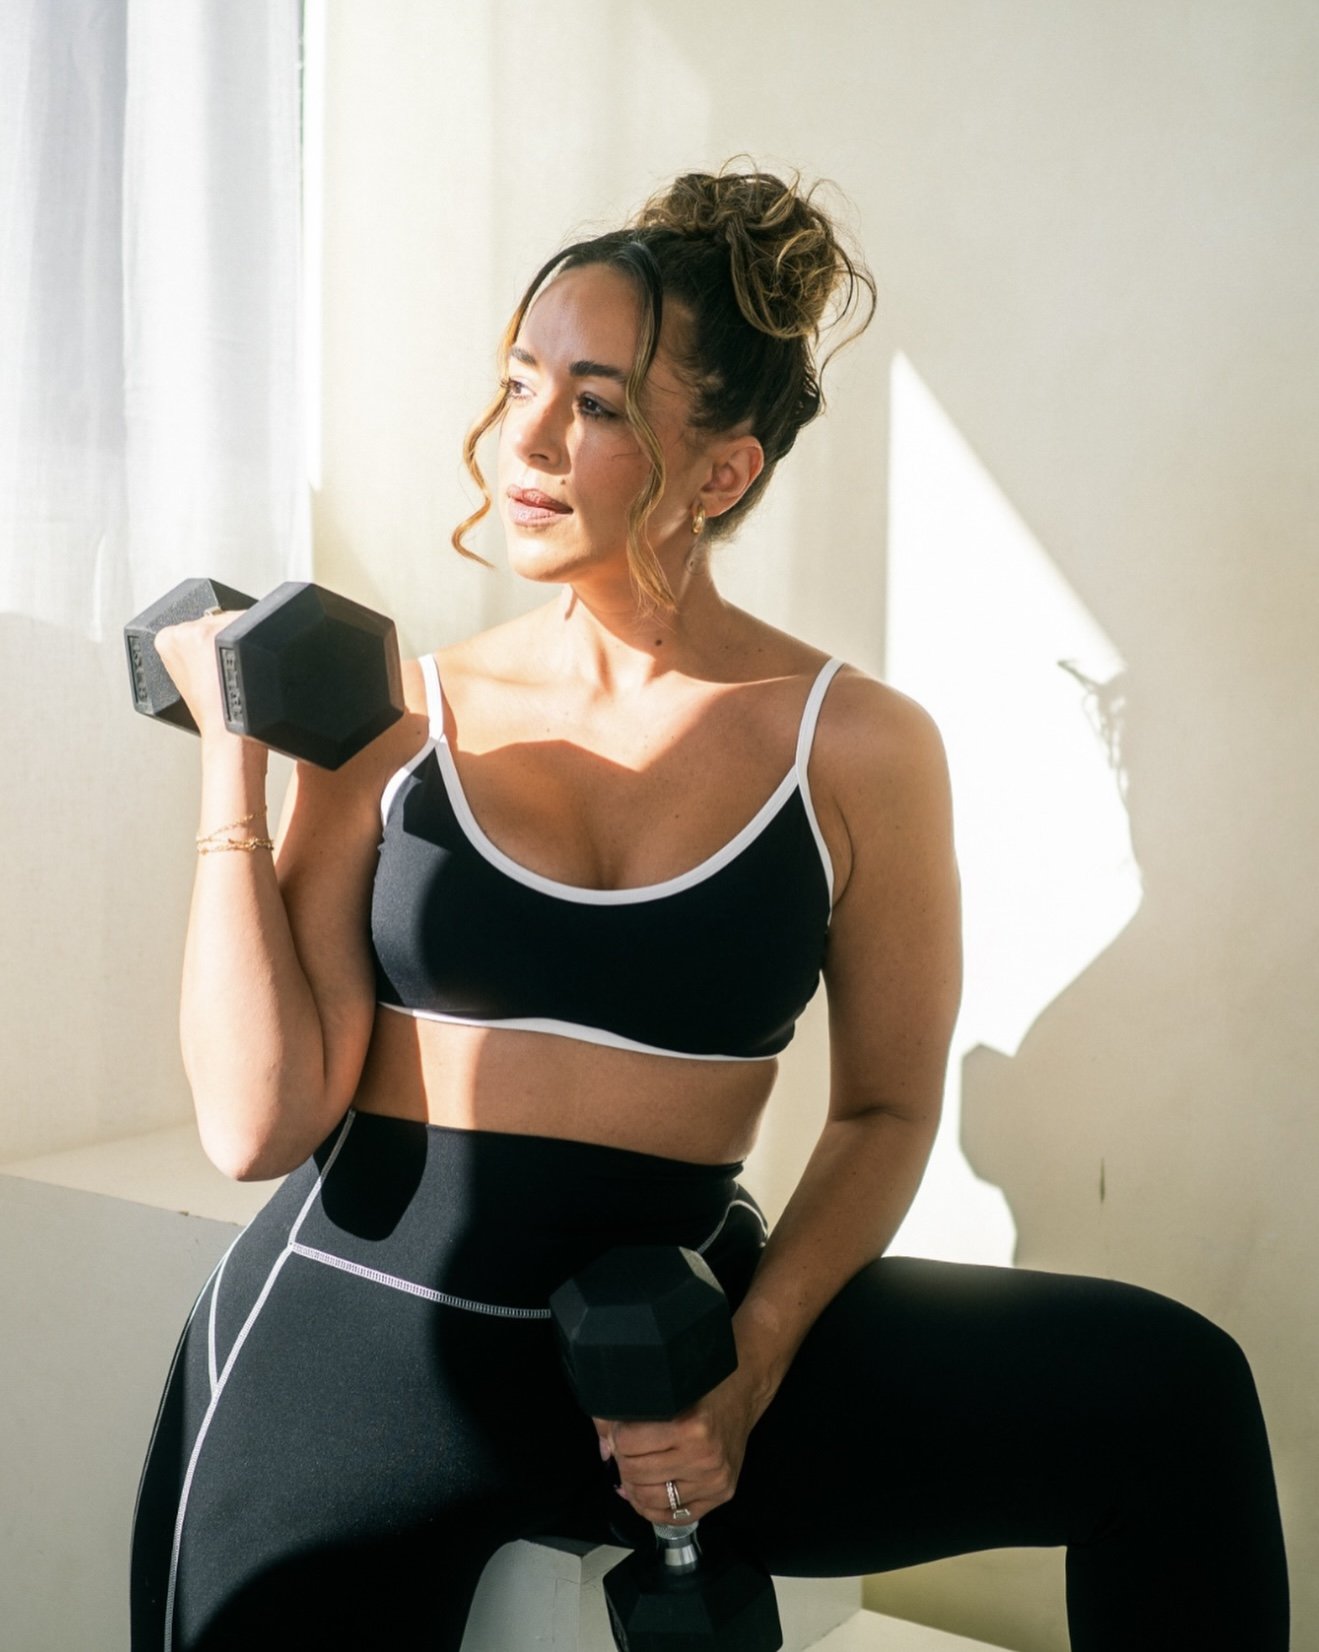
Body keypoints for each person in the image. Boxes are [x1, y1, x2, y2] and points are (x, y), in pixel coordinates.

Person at [132, 163, 1289, 1651]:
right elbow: (257, 1125)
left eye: (597, 404)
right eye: (520, 380)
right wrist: (235, 758)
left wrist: (749, 1363)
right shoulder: (396, 724)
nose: (524, 439)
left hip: (669, 1346)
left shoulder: (856, 748)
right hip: (368, 1334)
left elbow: (884, 1112)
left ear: (723, 472)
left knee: (1170, 1396)